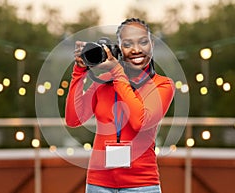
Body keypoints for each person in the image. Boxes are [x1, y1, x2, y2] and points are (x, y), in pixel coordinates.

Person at [65, 18, 175, 193]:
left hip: (142, 185)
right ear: (118, 49)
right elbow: (73, 119)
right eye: (128, 44)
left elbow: (140, 122)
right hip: (98, 184)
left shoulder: (163, 85)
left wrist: (117, 72)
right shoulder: (104, 82)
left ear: (152, 44)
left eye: (143, 42)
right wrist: (79, 71)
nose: (136, 49)